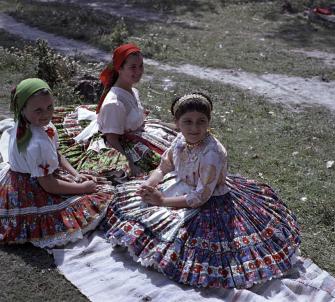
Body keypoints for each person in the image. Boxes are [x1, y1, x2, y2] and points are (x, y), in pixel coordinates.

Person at [105, 93, 301, 288]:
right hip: (183, 186)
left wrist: (162, 200)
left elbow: (200, 197)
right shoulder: (180, 139)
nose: (194, 128)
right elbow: (165, 166)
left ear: (209, 122)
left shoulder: (212, 152)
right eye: (187, 121)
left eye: (201, 121)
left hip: (211, 200)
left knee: (185, 240)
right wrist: (151, 183)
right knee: (137, 205)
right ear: (176, 122)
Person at [0, 78, 114, 248]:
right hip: (31, 187)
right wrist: (82, 188)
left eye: (49, 107)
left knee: (91, 183)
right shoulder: (37, 144)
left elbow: (56, 154)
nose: (45, 114)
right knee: (98, 196)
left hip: (27, 177)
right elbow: (49, 185)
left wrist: (75, 174)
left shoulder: (31, 125)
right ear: (22, 108)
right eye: (38, 110)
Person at [54, 43, 176, 180]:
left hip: (136, 133)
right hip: (120, 142)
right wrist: (129, 163)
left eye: (141, 65)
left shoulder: (131, 90)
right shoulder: (115, 103)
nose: (139, 71)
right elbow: (112, 139)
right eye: (133, 67)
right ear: (119, 69)